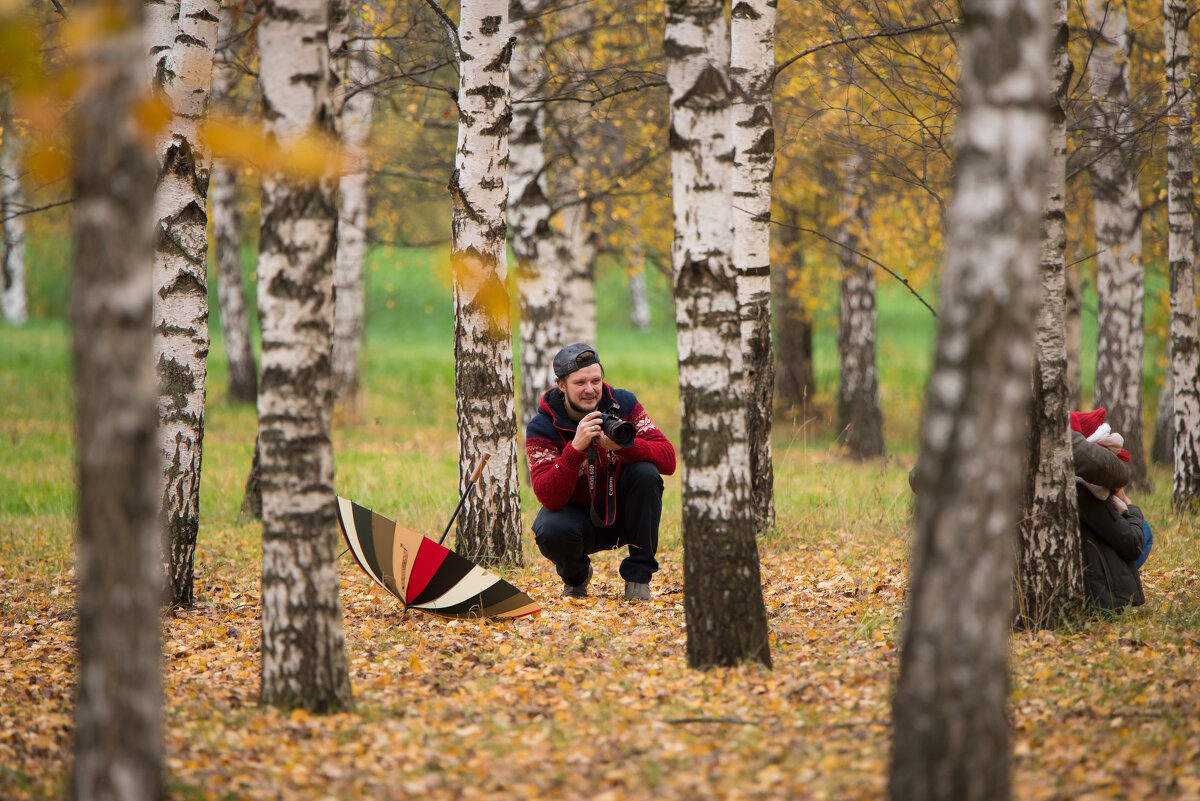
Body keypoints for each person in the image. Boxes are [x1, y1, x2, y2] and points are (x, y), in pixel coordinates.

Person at [525, 343, 676, 601]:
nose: (590, 390)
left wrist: (625, 447)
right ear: (561, 385)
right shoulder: (542, 427)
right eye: (580, 382)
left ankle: (638, 580)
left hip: (624, 515)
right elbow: (548, 497)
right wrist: (576, 448)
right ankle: (576, 577)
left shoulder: (622, 404)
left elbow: (668, 459)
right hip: (578, 523)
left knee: (646, 474)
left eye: (596, 380)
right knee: (549, 527)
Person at [1070, 409, 1150, 610]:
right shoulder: (1087, 491)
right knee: (1144, 531)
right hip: (1104, 602)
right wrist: (1131, 509)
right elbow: (1134, 545)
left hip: (1098, 594)